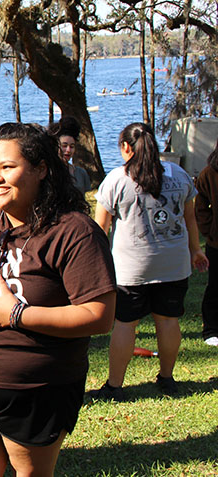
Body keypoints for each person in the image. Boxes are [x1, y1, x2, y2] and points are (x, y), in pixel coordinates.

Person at [0, 122, 116, 477]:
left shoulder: (73, 232)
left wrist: (17, 314)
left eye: (8, 167)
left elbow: (100, 316)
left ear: (41, 169)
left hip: (38, 387)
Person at [93, 122, 208, 400]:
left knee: (125, 324)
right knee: (169, 322)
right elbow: (189, 218)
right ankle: (167, 378)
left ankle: (115, 385)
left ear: (125, 147)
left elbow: (100, 229)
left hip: (131, 269)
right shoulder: (178, 174)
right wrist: (195, 250)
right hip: (173, 264)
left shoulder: (117, 180)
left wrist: (96, 264)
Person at [195, 138, 218, 347]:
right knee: (215, 286)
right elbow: (200, 207)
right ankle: (211, 328)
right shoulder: (209, 173)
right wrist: (209, 231)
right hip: (216, 242)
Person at [48, 116, 90, 193]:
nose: (68, 150)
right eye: (64, 146)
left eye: (72, 146)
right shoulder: (48, 172)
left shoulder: (81, 173)